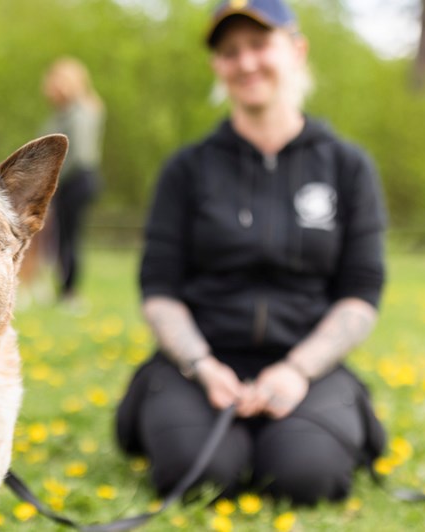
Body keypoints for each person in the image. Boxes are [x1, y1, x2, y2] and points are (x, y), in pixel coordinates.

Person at [114, 0, 388, 506]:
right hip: (200, 364)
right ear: (216, 65)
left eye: (260, 45)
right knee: (200, 476)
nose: (245, 63)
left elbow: (361, 291)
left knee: (307, 477)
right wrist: (201, 365)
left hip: (307, 363)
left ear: (297, 50)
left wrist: (298, 369)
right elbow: (159, 288)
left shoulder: (347, 167)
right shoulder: (186, 169)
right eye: (230, 52)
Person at [38, 58, 105, 305]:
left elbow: (78, 155)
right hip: (68, 179)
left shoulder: (82, 113)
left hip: (75, 179)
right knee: (60, 237)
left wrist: (49, 181)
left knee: (68, 237)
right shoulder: (66, 112)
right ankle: (63, 289)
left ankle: (69, 292)